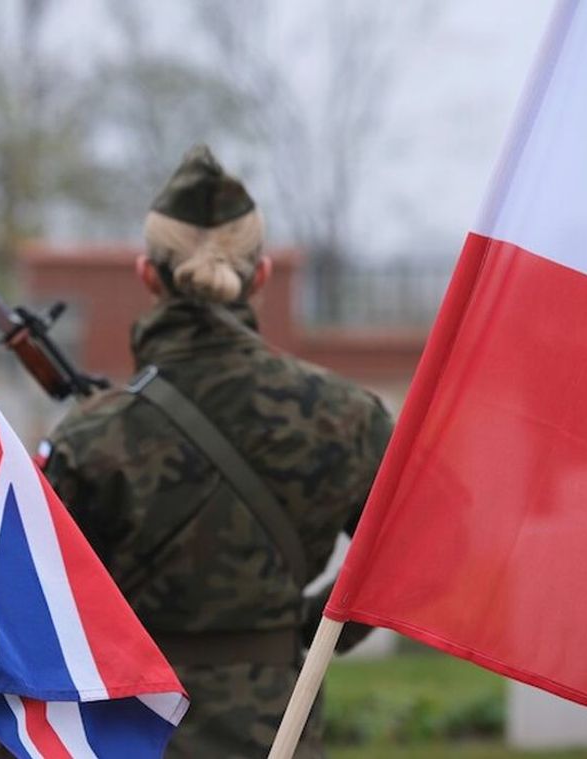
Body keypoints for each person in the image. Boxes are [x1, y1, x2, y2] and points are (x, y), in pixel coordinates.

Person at [38, 144, 394, 758]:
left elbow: (34, 600)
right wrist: (307, 631)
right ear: (260, 276)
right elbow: (406, 555)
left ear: (147, 274)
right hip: (276, 734)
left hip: (132, 730)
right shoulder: (349, 416)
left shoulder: (89, 436)